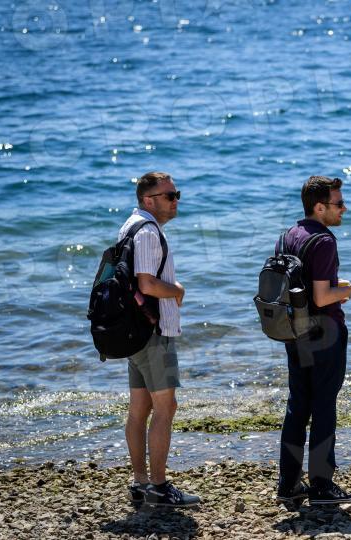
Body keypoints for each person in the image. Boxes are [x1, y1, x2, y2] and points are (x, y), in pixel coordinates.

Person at [276, 175, 351, 507]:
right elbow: (322, 296)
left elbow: (303, 284)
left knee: (298, 406)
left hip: (295, 330)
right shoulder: (324, 241)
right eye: (339, 203)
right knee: (324, 406)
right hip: (324, 332)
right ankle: (322, 484)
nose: (344, 209)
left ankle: (288, 483)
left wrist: (342, 285)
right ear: (319, 207)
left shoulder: (289, 235)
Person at [118, 171, 200, 509]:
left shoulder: (129, 226)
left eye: (176, 194)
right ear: (148, 200)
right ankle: (159, 486)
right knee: (166, 408)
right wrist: (177, 290)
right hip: (154, 333)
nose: (176, 200)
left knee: (139, 408)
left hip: (134, 332)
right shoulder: (149, 232)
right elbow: (147, 284)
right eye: (169, 195)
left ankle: (140, 483)